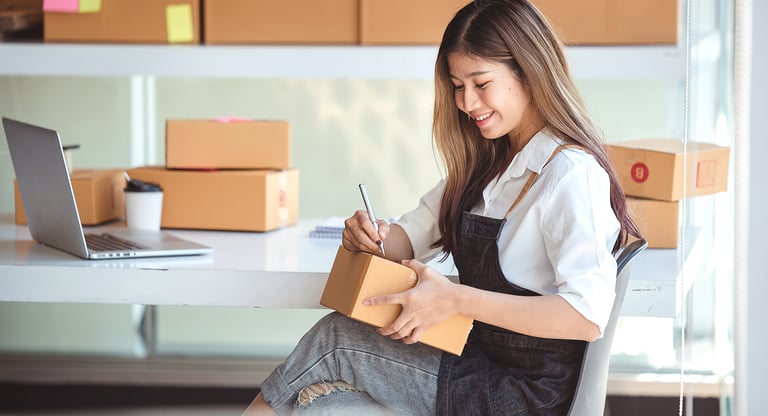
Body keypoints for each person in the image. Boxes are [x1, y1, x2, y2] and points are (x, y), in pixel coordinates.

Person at [242, 0, 641, 414]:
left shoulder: (570, 174)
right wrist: (370, 235)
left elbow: (586, 316)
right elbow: (406, 240)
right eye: (456, 86)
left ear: (528, 73)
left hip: (522, 396)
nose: (467, 103)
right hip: (476, 364)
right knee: (319, 405)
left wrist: (458, 299)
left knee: (336, 340)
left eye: (481, 83)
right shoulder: (485, 166)